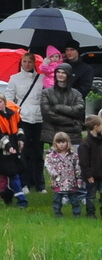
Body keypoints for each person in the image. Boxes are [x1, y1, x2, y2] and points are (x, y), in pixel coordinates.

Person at [8, 53, 47, 193]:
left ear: (34, 63)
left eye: (30, 62)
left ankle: (40, 184)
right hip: (22, 117)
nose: (27, 64)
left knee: (38, 151)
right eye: (24, 61)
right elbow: (9, 100)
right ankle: (24, 182)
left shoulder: (42, 79)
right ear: (21, 63)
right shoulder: (14, 79)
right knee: (23, 150)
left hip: (39, 118)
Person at [44, 65, 87, 146]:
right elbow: (47, 113)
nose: (60, 74)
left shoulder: (76, 94)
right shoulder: (46, 93)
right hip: (54, 134)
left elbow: (79, 110)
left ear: (68, 75)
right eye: (58, 72)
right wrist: (71, 121)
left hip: (73, 135)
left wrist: (58, 108)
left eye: (63, 73)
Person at [49, 132, 84, 217]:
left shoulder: (73, 154)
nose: (61, 144)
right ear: (55, 143)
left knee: (74, 200)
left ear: (68, 142)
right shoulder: (52, 155)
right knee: (57, 200)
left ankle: (76, 214)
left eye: (63, 142)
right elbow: (48, 165)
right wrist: (54, 173)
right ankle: (58, 214)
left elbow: (77, 166)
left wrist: (79, 178)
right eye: (59, 142)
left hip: (71, 181)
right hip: (58, 182)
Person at [80, 116, 102, 219]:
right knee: (91, 196)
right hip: (92, 176)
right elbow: (84, 162)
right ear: (96, 127)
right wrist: (88, 175)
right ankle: (90, 213)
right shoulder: (85, 143)